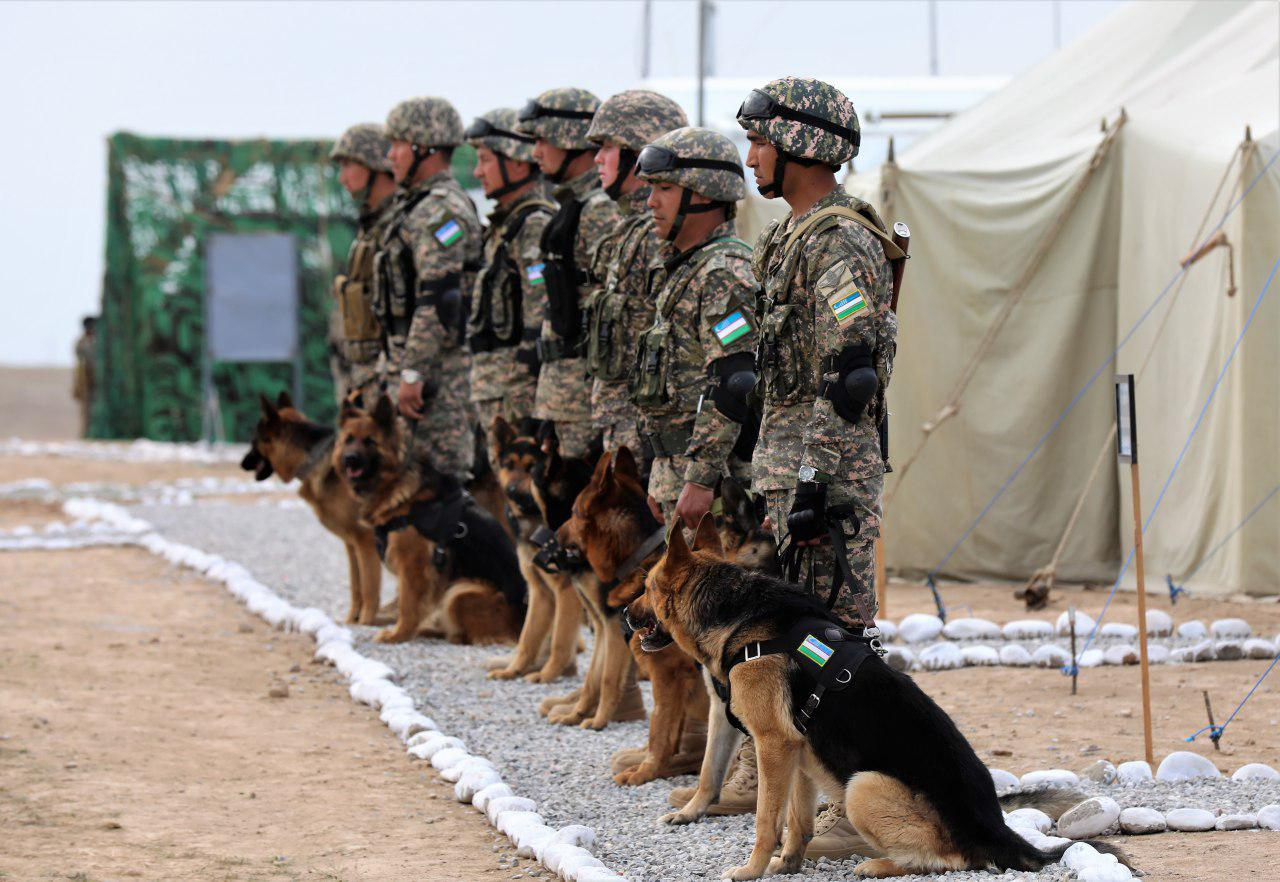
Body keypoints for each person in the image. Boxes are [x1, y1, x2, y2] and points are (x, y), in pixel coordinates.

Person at [737, 75, 900, 861]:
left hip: (824, 482)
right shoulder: (792, 235)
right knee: (801, 643)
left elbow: (853, 366)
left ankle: (857, 796)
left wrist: (813, 484)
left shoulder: (837, 239)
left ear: (802, 144)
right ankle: (812, 803)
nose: (750, 154)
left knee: (837, 646)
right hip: (792, 472)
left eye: (762, 139)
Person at [630, 126, 757, 530]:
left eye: (664, 188)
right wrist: (661, 472)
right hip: (678, 475)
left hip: (714, 486)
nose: (650, 201)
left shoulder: (724, 273)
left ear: (703, 192)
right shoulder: (687, 268)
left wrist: (701, 479)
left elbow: (735, 381)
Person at [373, 96, 482, 484]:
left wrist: (414, 372)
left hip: (437, 382)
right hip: (411, 374)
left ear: (425, 148)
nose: (390, 156)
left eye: (398, 145)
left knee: (437, 490)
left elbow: (440, 300)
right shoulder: (416, 206)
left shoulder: (442, 211)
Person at [583, 90, 687, 461]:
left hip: (646, 436)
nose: (597, 158)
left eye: (608, 146)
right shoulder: (631, 230)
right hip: (623, 426)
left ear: (637, 151)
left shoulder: (657, 237)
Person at [515, 88, 617, 458]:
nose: (535, 152)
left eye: (541, 139)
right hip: (563, 392)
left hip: (584, 395)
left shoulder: (600, 210)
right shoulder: (572, 206)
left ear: (568, 137)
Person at [463, 109, 555, 445]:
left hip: (516, 395)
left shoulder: (532, 225)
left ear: (517, 162)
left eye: (485, 160)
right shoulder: (505, 226)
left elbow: (540, 314)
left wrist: (521, 394)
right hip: (495, 389)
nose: (477, 171)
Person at [330, 123, 396, 404]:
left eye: (348, 166)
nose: (342, 178)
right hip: (365, 374)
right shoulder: (372, 225)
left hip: (388, 378)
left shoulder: (402, 224)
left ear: (374, 165)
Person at [72, 315, 97, 437]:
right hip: (86, 383)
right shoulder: (81, 344)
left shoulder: (98, 342)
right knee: (86, 412)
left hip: (97, 384)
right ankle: (87, 435)